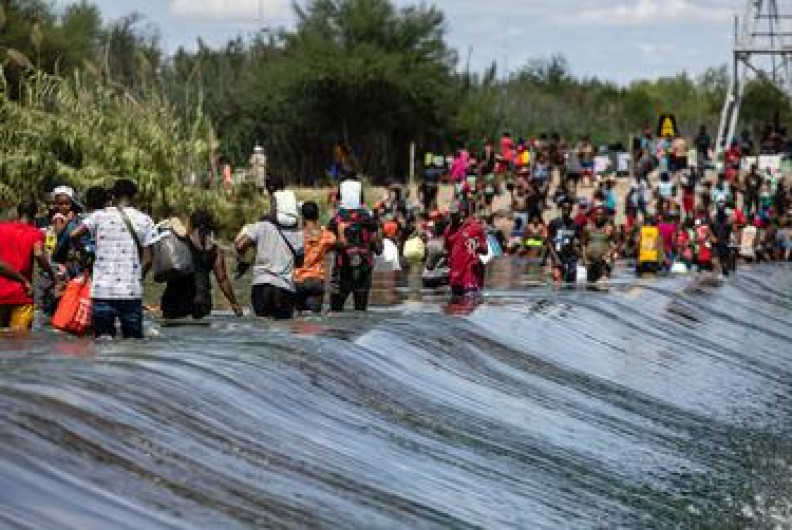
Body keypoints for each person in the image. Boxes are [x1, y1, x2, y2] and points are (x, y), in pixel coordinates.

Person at [71, 179, 156, 339]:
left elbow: (74, 235)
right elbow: (148, 260)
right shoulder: (145, 220)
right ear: (134, 197)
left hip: (101, 292)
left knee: (103, 341)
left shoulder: (98, 216)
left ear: (113, 196)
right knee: (133, 343)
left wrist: (85, 252)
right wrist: (138, 278)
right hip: (130, 293)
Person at [160, 210, 242, 320]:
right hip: (202, 302)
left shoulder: (180, 242)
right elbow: (222, 279)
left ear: (191, 224)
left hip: (175, 301)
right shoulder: (215, 249)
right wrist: (234, 304)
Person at [235, 189, 303, 320]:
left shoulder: (262, 226)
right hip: (285, 289)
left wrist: (243, 260)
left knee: (262, 330)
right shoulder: (298, 234)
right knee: (283, 330)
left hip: (261, 286)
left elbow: (240, 245)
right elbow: (300, 263)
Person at [0, 198, 59, 331]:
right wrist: (53, 275)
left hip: (1, 292)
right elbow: (38, 254)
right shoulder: (35, 233)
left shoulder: (1, 228)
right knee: (20, 342)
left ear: (18, 212)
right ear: (35, 215)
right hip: (22, 293)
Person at [328, 177, 382, 311]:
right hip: (364, 269)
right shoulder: (368, 219)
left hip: (342, 269)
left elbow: (327, 244)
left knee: (335, 311)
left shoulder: (336, 220)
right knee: (360, 311)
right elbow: (379, 249)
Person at [294, 201, 336, 314]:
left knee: (298, 319)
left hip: (298, 280)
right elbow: (334, 242)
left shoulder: (296, 236)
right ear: (317, 215)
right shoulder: (326, 235)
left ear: (302, 216)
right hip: (316, 280)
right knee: (314, 319)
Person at [444, 200, 487, 298]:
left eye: (455, 214)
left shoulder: (475, 228)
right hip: (455, 279)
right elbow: (447, 251)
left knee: (468, 307)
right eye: (451, 214)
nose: (452, 216)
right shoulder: (448, 230)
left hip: (470, 277)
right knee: (454, 310)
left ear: (462, 213)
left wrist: (477, 245)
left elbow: (485, 250)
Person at [547, 200, 581, 284]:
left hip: (571, 258)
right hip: (557, 256)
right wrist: (555, 258)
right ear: (561, 209)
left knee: (571, 284)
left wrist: (579, 257)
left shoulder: (575, 225)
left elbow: (578, 242)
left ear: (571, 210)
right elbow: (549, 242)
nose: (566, 210)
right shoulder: (554, 223)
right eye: (565, 208)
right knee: (557, 282)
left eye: (569, 209)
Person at [581, 207, 615, 285]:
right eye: (597, 214)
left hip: (604, 263)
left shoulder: (609, 228)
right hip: (590, 263)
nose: (598, 216)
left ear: (604, 215)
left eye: (601, 214)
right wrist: (584, 258)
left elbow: (615, 244)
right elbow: (583, 244)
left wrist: (609, 254)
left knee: (602, 286)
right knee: (590, 287)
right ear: (594, 215)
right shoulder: (588, 228)